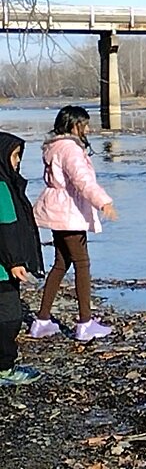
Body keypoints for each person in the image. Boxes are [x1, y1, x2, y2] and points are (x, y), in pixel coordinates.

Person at [29, 106, 118, 342]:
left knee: (60, 264)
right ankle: (85, 323)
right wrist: (103, 202)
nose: (87, 129)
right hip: (69, 212)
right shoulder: (70, 150)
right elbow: (82, 180)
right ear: (73, 125)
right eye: (84, 124)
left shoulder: (54, 146)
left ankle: (42, 320)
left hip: (57, 210)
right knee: (82, 264)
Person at [0, 132, 44, 385]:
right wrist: (15, 261)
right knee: (10, 316)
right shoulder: (2, 186)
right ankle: (4, 368)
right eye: (15, 156)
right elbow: (6, 227)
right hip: (3, 268)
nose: (18, 162)